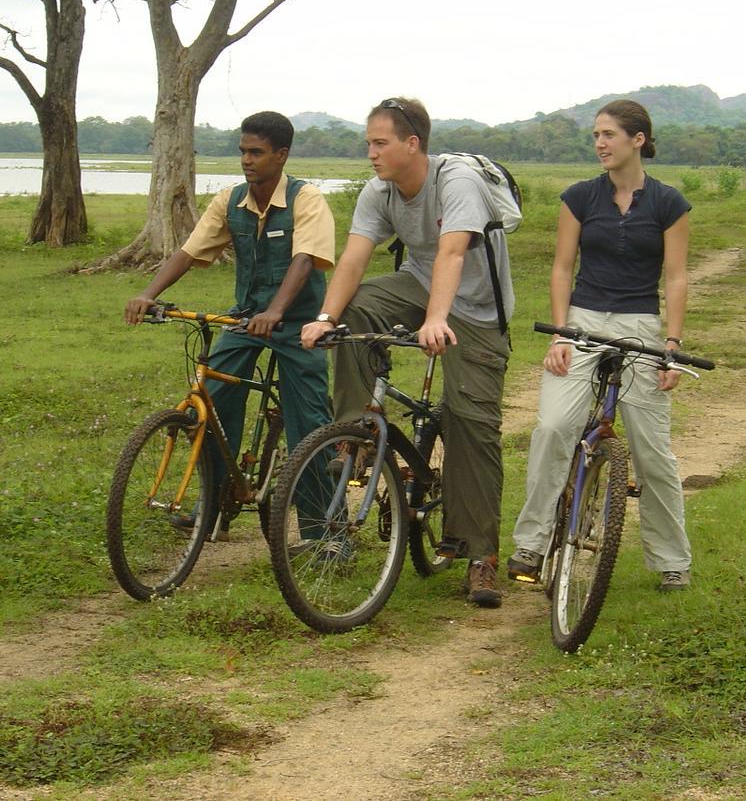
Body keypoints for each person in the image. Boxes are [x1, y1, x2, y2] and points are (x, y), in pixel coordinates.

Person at [300, 97, 514, 608]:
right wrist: (326, 318)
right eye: (368, 143)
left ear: (412, 143)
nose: (371, 153)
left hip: (478, 308)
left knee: (471, 423)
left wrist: (438, 318)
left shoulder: (456, 182)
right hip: (420, 284)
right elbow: (354, 257)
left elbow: (453, 250)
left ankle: (480, 555)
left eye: (380, 143)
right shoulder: (379, 191)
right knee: (355, 312)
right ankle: (356, 438)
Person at [507, 99, 695, 592]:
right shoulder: (579, 197)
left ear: (638, 140)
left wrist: (671, 345)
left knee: (653, 451)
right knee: (553, 426)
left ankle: (671, 559)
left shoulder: (669, 204)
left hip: (641, 324)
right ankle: (531, 540)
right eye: (596, 135)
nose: (600, 144)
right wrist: (562, 332)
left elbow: (675, 277)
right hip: (583, 319)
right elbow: (561, 268)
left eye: (609, 134)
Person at [125, 111, 335, 534]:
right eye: (243, 151)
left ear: (281, 155)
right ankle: (216, 505)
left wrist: (276, 311)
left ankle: (324, 531)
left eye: (256, 153)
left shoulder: (306, 198)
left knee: (310, 422)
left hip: (298, 326)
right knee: (213, 400)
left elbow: (305, 258)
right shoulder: (230, 200)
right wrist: (150, 294)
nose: (246, 160)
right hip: (245, 320)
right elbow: (189, 251)